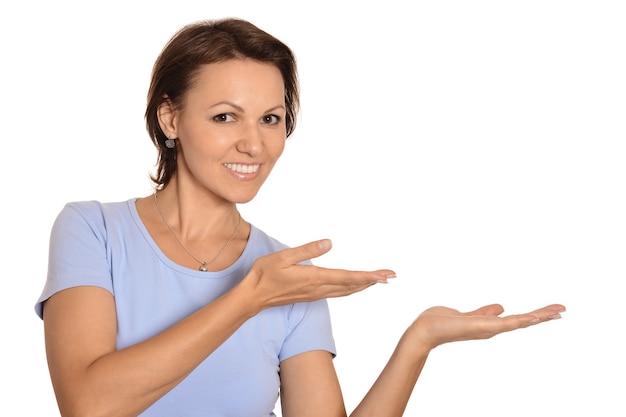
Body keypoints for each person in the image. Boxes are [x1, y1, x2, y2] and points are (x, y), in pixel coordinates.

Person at [35, 17, 565, 417]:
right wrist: (249, 297)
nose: (254, 142)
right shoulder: (93, 230)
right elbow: (88, 404)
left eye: (271, 119)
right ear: (170, 118)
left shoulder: (285, 275)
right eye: (225, 116)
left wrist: (417, 342)